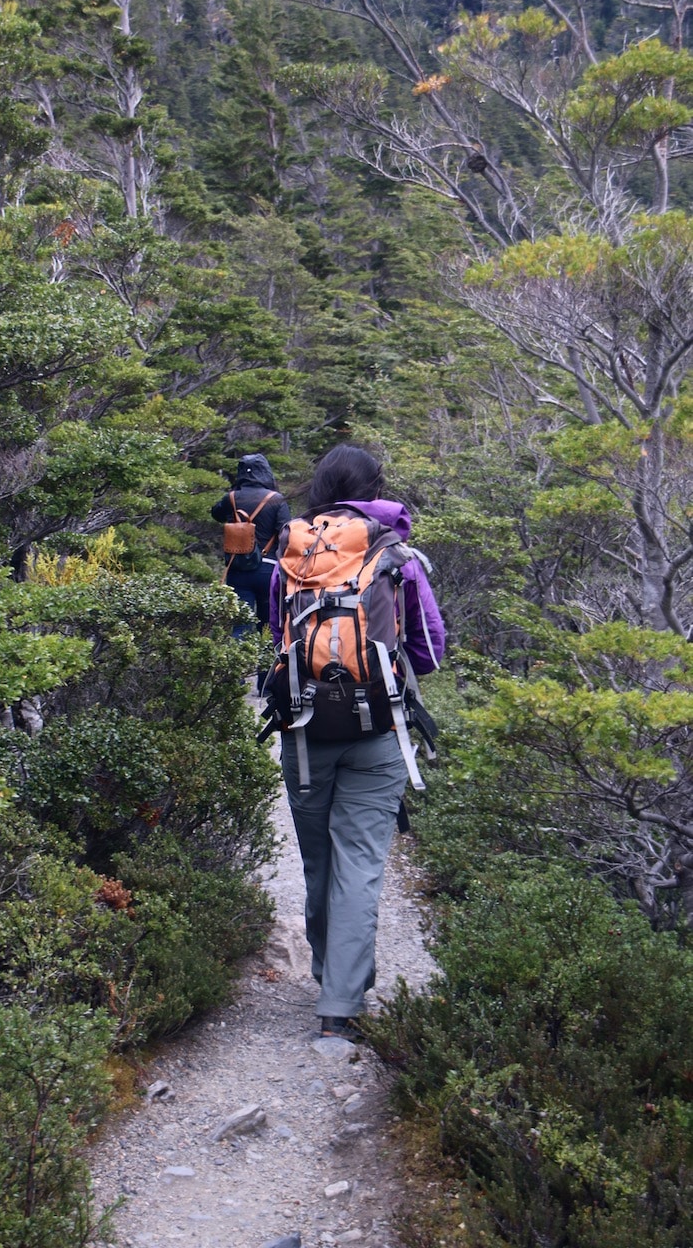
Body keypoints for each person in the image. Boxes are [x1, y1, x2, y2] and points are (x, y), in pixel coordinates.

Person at [268, 444, 445, 1041]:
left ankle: (328, 972)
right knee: (361, 864)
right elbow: (430, 649)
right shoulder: (397, 557)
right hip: (378, 732)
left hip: (303, 732)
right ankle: (339, 1007)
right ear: (376, 487)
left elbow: (279, 640)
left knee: (317, 859)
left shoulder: (293, 553)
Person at [211, 453, 290, 638]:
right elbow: (287, 532)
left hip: (237, 569)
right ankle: (265, 667)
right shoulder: (276, 499)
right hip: (268, 570)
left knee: (240, 626)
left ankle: (240, 666)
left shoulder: (230, 498)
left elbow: (216, 514)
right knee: (269, 628)